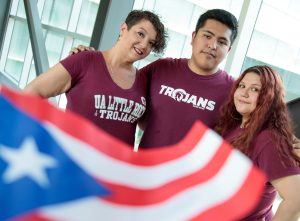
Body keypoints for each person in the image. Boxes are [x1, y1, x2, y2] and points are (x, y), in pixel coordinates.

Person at [23, 10, 167, 146]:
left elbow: (145, 124)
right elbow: (32, 92)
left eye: (151, 43)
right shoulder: (84, 60)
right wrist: (48, 134)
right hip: (74, 164)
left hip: (115, 169)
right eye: (140, 34)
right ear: (124, 29)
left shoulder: (143, 80)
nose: (144, 45)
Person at [215, 65, 300, 221]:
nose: (244, 93)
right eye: (241, 86)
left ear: (269, 97)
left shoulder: (268, 139)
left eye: (255, 89)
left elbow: (296, 201)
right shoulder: (233, 127)